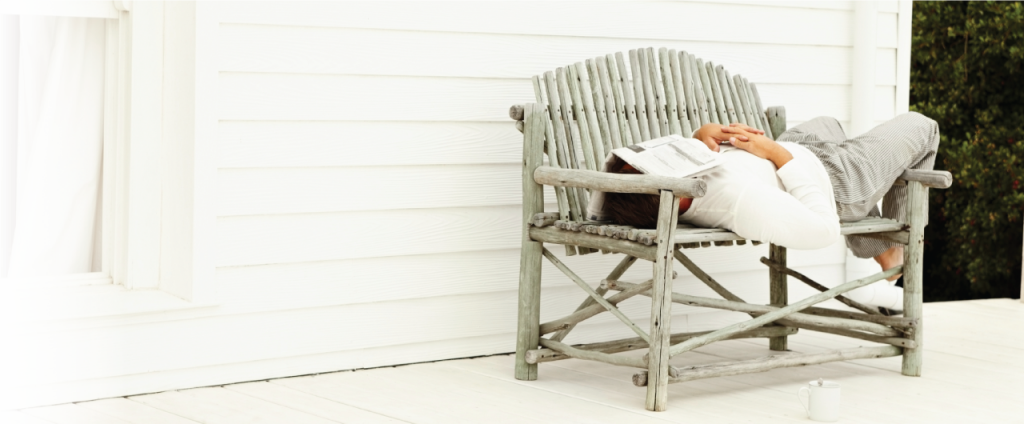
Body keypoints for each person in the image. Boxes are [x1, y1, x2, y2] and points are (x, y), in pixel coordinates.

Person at [602, 113, 941, 311]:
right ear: (676, 198)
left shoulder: (689, 187)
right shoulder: (740, 201)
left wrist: (702, 136)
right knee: (923, 128)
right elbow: (825, 229)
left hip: (802, 149)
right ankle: (894, 251)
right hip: (838, 181)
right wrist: (776, 153)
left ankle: (877, 241)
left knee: (828, 123)